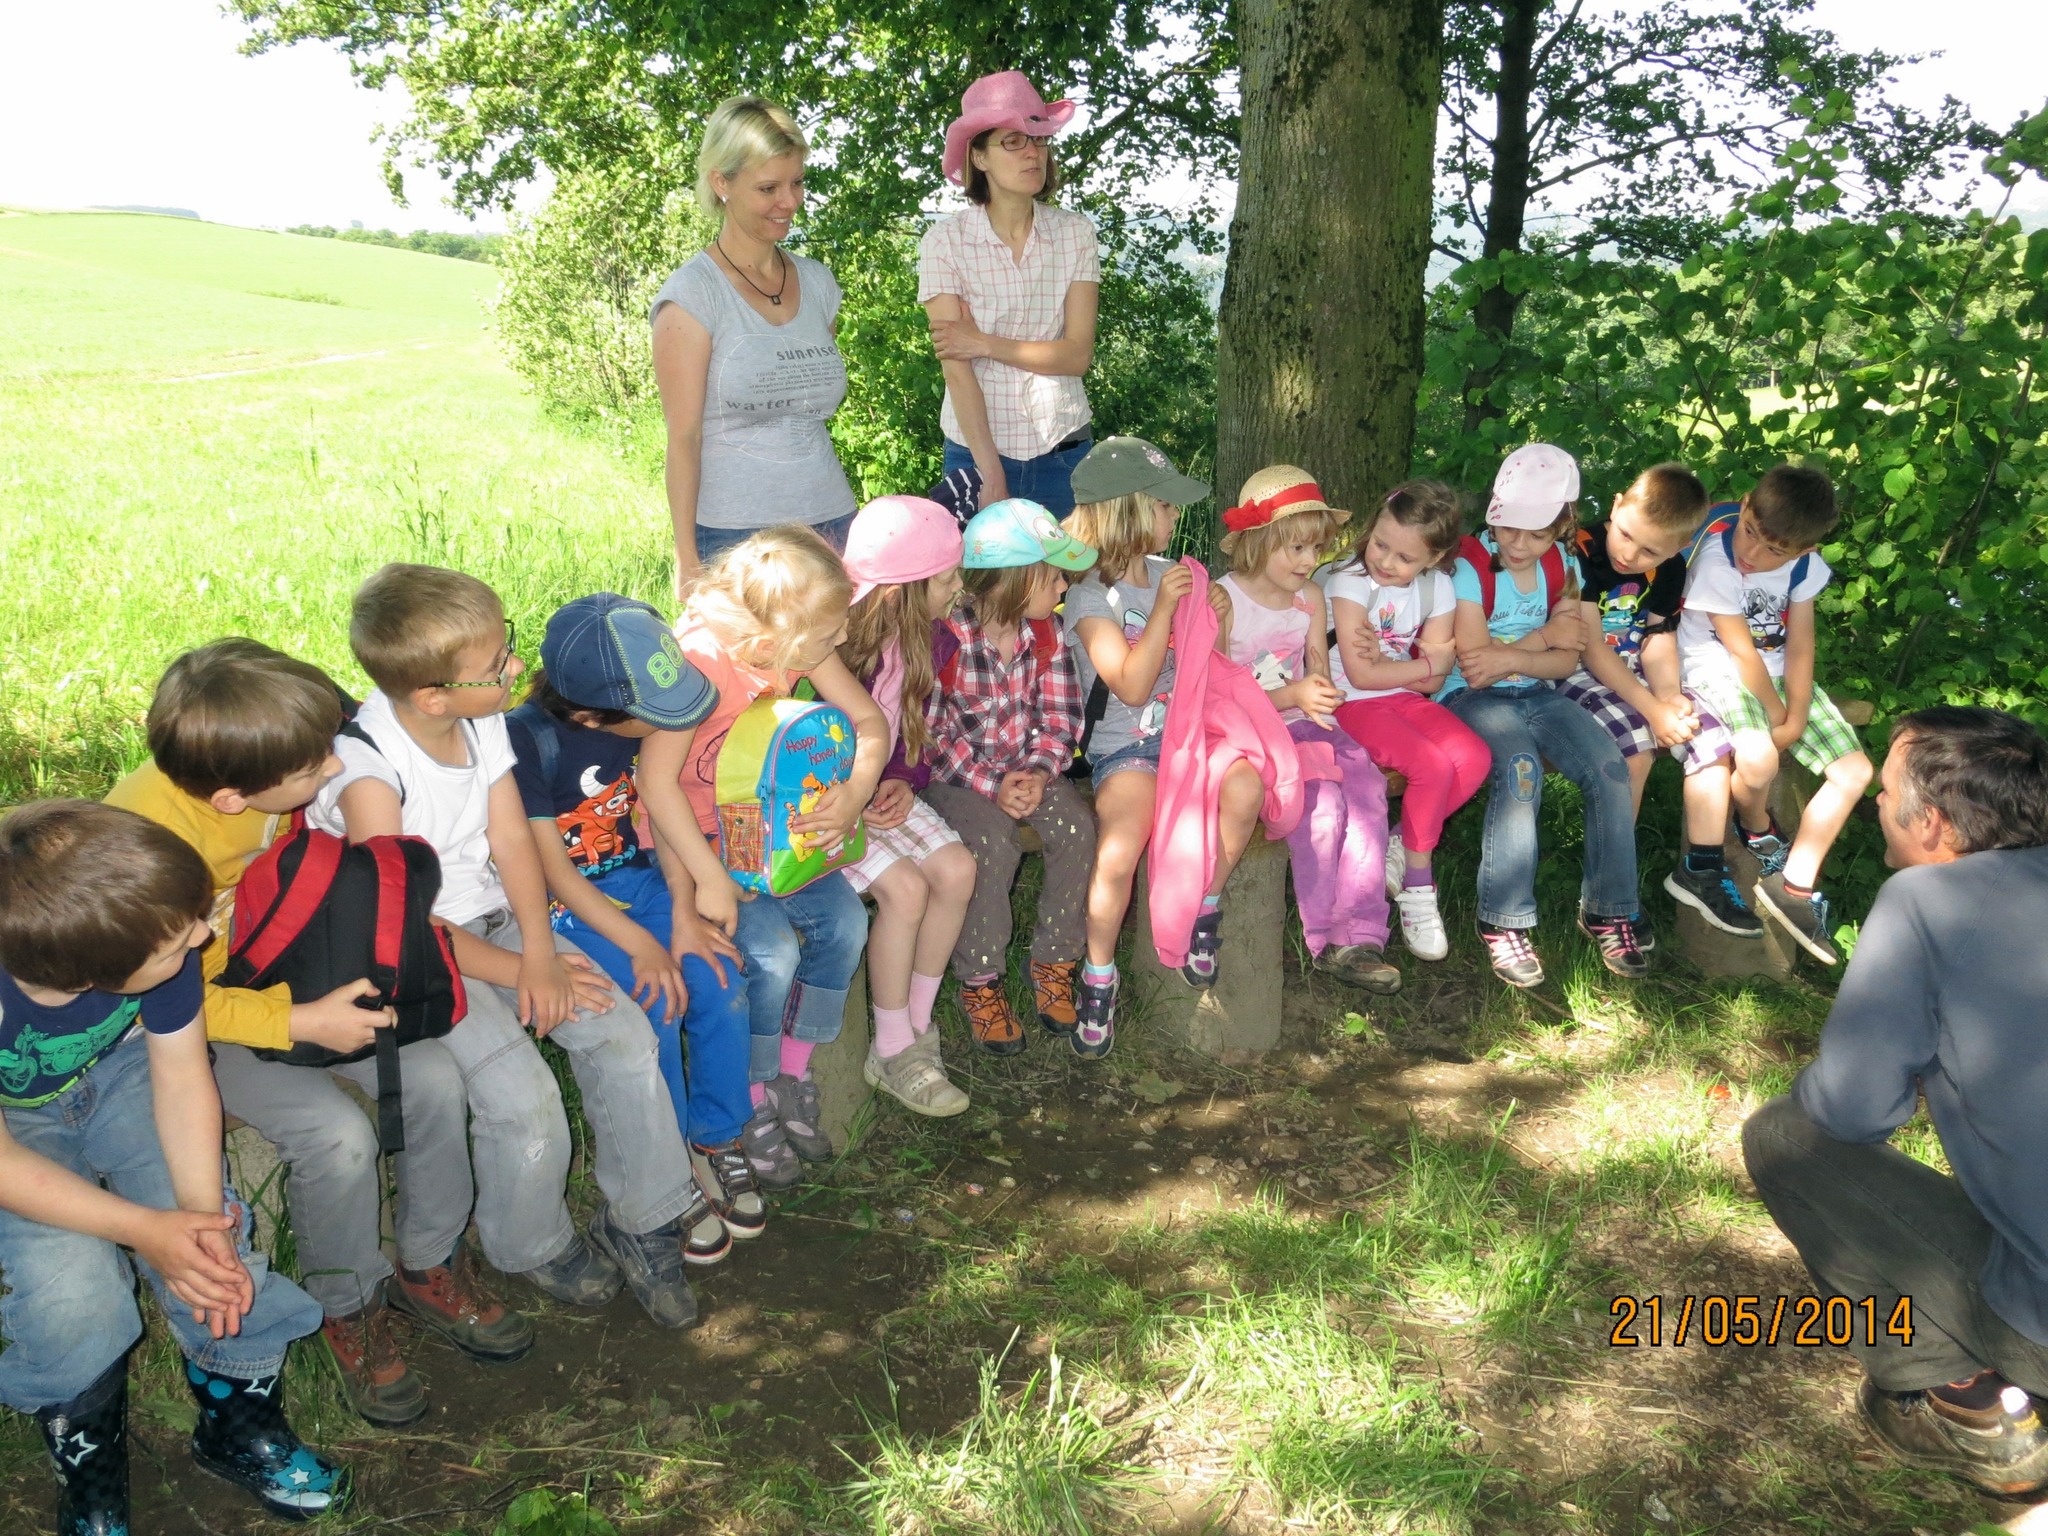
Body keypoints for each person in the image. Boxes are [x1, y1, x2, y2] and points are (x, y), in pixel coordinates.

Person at [108, 639, 528, 1430]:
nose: (333, 774)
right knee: (335, 1135)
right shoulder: (148, 852)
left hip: (278, 980)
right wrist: (301, 1021)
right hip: (191, 1028)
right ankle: (350, 1304)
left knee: (436, 1078)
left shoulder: (261, 764)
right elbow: (163, 1000)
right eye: (314, 769)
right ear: (232, 798)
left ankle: (429, 1262)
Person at [309, 564, 728, 1332]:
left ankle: (644, 1220)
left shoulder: (480, 722)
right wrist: (518, 969)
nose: (514, 669)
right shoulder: (370, 774)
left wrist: (538, 948)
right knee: (520, 1099)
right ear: (433, 695)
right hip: (412, 957)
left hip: (500, 925)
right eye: (496, 665)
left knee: (623, 1036)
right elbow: (402, 917)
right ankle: (529, 1241)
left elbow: (511, 839)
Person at [0, 800, 349, 1533]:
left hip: (124, 1071)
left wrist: (198, 1217)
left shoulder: (158, 936)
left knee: (220, 1240)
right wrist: (141, 1228)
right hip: (15, 1129)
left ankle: (234, 1425)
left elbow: (182, 1076)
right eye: (179, 942)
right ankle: (90, 1475)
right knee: (69, 1290)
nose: (204, 934)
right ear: (81, 973)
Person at [1743, 706, 2048, 1497]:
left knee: (1783, 1134)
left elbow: (1850, 1110)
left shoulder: (1927, 900)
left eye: (1884, 789)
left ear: (1936, 824)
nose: (1877, 801)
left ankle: (1968, 1402)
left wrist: (1902, 1067)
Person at [506, 596, 765, 1241]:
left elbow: (658, 827)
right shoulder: (525, 739)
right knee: (657, 996)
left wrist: (680, 916)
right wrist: (640, 946)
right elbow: (554, 873)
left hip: (638, 879)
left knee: (719, 976)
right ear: (594, 714)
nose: (667, 724)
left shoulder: (642, 715)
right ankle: (668, 1162)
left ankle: (717, 1136)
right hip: (566, 906)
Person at [637, 528, 885, 1189]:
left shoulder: (796, 645)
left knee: (846, 925)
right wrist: (707, 879)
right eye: (825, 640)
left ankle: (789, 1076)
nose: (837, 648)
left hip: (774, 829)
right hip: (698, 843)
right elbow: (655, 786)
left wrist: (855, 791)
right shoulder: (697, 664)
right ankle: (749, 1103)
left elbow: (870, 723)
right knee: (770, 954)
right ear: (770, 640)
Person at [1063, 441, 1257, 1047]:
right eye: (1165, 504)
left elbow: (1208, 669)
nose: (1176, 516)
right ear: (1126, 511)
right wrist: (1165, 610)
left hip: (1190, 736)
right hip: (1127, 749)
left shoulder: (1172, 573)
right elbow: (1131, 682)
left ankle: (1205, 903)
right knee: (1120, 849)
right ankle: (1099, 972)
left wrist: (1215, 620)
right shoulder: (1090, 597)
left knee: (1247, 786)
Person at [1441, 444, 1649, 988]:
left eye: (1535, 534)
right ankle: (1504, 921)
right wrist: (1532, 646)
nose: (1517, 543)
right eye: (1508, 527)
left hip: (1542, 695)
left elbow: (1568, 658)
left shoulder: (1567, 566)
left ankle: (1609, 909)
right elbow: (1476, 665)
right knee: (1520, 771)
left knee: (1609, 768)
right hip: (1472, 701)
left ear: (1562, 527)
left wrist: (1516, 654)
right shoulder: (1470, 566)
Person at [651, 95, 857, 592]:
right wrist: (686, 559)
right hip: (736, 538)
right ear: (722, 183)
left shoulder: (819, 283)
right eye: (769, 187)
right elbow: (683, 439)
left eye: (797, 182)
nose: (789, 202)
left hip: (833, 526)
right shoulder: (692, 296)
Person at [1676, 464, 1874, 963]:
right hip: (1717, 668)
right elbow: (1741, 652)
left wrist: (1799, 713)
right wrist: (1778, 714)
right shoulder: (1715, 562)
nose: (1753, 554)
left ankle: (1795, 886)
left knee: (1855, 772)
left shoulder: (1805, 568)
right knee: (1760, 761)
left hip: (1780, 675)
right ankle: (1757, 825)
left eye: (1774, 552)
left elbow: (1801, 644)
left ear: (1805, 550)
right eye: (1750, 533)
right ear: (1744, 504)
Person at [1214, 465, 1399, 992]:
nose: (1308, 561)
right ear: (1256, 541)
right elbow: (1223, 697)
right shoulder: (1225, 601)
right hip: (1252, 735)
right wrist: (1294, 696)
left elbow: (1316, 665)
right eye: (1295, 548)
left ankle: (1363, 932)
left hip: (1307, 723)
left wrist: (1318, 689)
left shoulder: (1310, 598)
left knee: (1367, 789)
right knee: (1323, 807)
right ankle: (1326, 937)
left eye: (1315, 549)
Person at [924, 500, 1100, 1055]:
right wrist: (989, 785)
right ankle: (980, 978)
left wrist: (1039, 772)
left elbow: (1061, 716)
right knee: (992, 843)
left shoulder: (1045, 634)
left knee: (1077, 829)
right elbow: (931, 735)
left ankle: (1054, 961)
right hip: (957, 779)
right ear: (1019, 580)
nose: (1064, 586)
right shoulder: (946, 638)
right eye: (1055, 576)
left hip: (1027, 771)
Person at [1557, 465, 1759, 937]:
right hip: (1574, 670)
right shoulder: (1581, 549)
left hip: (1632, 675)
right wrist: (1652, 710)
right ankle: (1608, 892)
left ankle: (1701, 868)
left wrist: (1670, 698)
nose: (1630, 554)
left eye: (1651, 549)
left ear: (1678, 547)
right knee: (1639, 747)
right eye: (1626, 536)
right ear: (1616, 505)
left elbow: (1657, 638)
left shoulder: (1669, 570)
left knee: (1709, 737)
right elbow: (1590, 646)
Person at [836, 496, 978, 1117]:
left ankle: (913, 1030)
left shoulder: (932, 639)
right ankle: (890, 1048)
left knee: (957, 869)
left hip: (882, 793)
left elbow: (911, 731)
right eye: (947, 577)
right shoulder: (836, 654)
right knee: (905, 890)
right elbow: (806, 755)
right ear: (897, 591)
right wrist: (856, 794)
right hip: (826, 805)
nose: (958, 588)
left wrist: (901, 780)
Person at [920, 71, 1099, 519]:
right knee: (980, 589)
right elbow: (956, 368)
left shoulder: (1076, 234)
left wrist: (983, 342)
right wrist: (990, 471)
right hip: (976, 455)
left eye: (1038, 141)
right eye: (1013, 142)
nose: (1033, 153)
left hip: (1066, 453)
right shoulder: (945, 243)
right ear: (978, 156)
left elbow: (1076, 355)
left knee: (1068, 584)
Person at [1327, 480, 1492, 962]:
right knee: (1432, 768)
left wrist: (1413, 670)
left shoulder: (1438, 587)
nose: (1385, 560)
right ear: (1371, 528)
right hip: (1352, 704)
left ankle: (1401, 843)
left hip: (1401, 698)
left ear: (1434, 558)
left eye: (1404, 558)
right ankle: (1420, 891)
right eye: (1381, 544)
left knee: (1474, 758)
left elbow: (1430, 682)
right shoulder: (1348, 581)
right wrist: (1424, 665)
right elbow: (1362, 673)